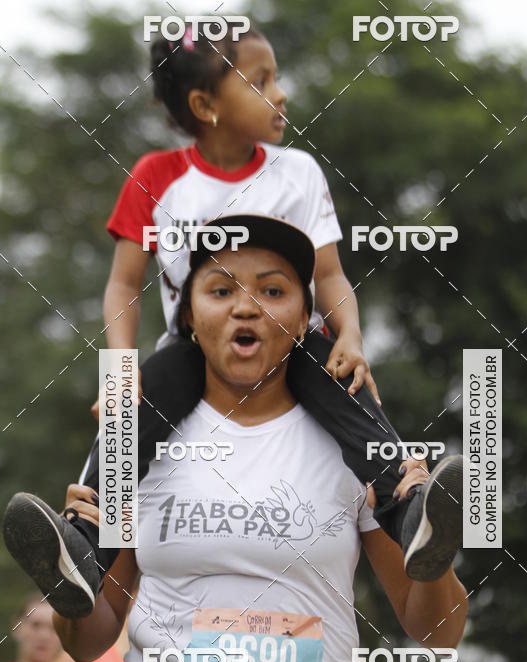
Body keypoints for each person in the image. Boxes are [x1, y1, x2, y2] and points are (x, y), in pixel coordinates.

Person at [51, 218, 467, 662]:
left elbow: (438, 630)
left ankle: (433, 533)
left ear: (306, 318)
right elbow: (89, 639)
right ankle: (70, 560)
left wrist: (436, 555)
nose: (246, 306)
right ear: (189, 315)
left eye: (273, 290)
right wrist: (73, 600)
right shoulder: (141, 437)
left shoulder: (356, 445)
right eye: (220, 289)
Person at [2, 20, 463, 620]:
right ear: (205, 104)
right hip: (191, 346)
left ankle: (409, 508)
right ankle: (84, 544)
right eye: (261, 80)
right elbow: (122, 282)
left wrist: (349, 334)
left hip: (300, 341)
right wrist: (118, 365)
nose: (281, 94)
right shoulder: (158, 178)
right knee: (131, 417)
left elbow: (328, 276)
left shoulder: (297, 173)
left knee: (349, 391)